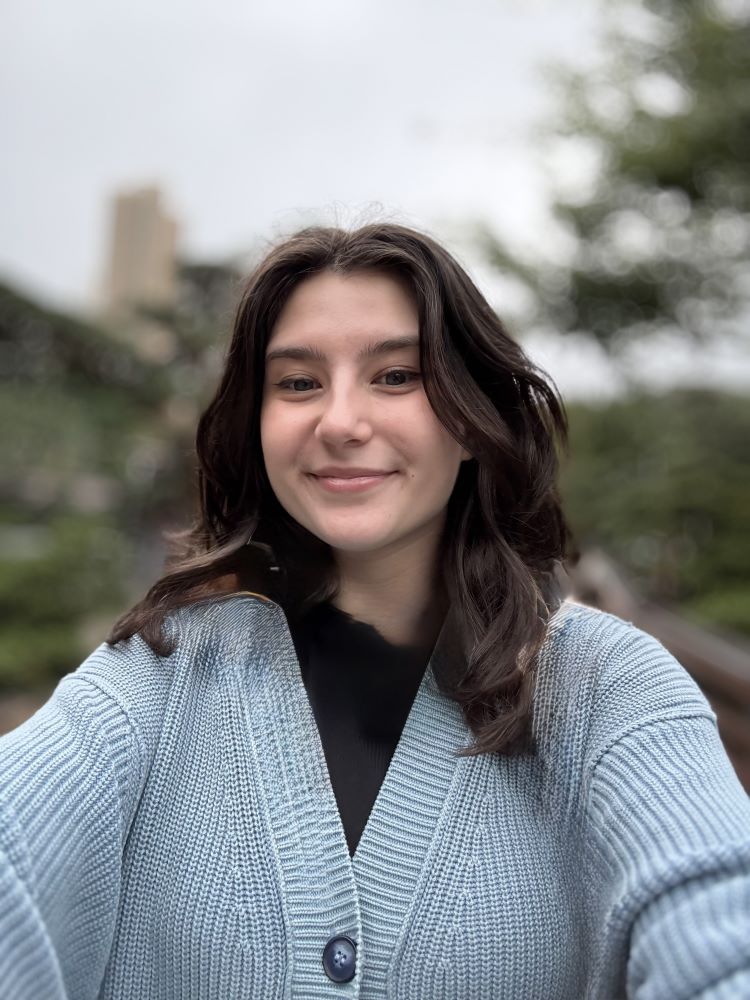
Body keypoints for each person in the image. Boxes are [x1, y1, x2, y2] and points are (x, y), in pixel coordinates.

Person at [1, 223, 748, 1000]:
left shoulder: (609, 687)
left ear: (470, 418)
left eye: (395, 376)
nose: (340, 422)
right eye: (298, 383)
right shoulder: (155, 679)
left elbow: (719, 919)